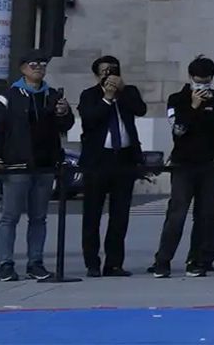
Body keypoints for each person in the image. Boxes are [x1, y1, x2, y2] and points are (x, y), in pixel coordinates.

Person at [0, 52, 75, 282]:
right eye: (33, 64)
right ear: (22, 68)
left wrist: (64, 113)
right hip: (16, 163)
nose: (39, 68)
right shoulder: (8, 96)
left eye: (43, 64)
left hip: (45, 163)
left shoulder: (52, 94)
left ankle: (35, 263)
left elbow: (66, 125)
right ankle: (6, 263)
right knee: (10, 216)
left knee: (39, 217)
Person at [150, 56, 214, 278]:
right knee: (176, 213)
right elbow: (178, 129)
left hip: (211, 165)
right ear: (190, 78)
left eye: (206, 82)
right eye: (198, 81)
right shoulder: (177, 99)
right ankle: (162, 260)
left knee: (206, 215)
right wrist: (194, 107)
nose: (201, 86)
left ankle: (198, 260)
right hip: (184, 164)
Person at [78, 55, 146, 277]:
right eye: (105, 70)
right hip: (98, 161)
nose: (110, 74)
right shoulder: (89, 95)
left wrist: (122, 91)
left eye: (113, 69)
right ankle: (92, 263)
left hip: (124, 159)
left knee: (120, 215)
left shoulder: (129, 92)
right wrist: (107, 98)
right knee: (92, 214)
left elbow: (140, 109)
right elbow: (90, 120)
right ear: (97, 74)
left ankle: (114, 262)